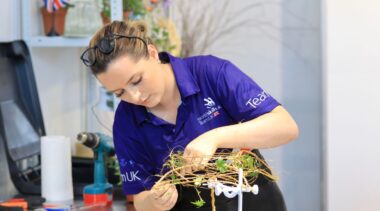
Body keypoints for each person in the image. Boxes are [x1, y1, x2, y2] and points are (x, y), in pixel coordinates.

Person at [80, 20, 299, 211]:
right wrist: (154, 202)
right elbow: (139, 198)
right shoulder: (127, 121)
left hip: (252, 201)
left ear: (153, 53)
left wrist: (215, 138)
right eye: (119, 93)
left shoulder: (210, 73)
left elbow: (285, 127)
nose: (135, 96)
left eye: (136, 80)